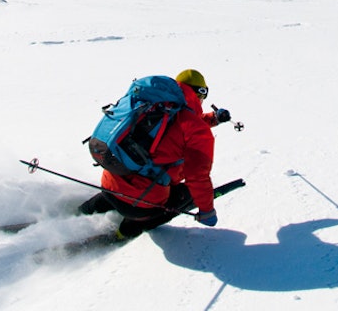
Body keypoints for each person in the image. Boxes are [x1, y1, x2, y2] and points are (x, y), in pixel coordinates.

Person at [79, 68, 229, 239]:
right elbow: (197, 177)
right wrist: (207, 211)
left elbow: (174, 129)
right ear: (200, 94)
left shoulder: (158, 106)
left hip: (110, 182)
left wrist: (212, 119)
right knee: (187, 194)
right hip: (140, 204)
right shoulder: (195, 130)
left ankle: (80, 212)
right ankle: (124, 232)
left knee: (127, 183)